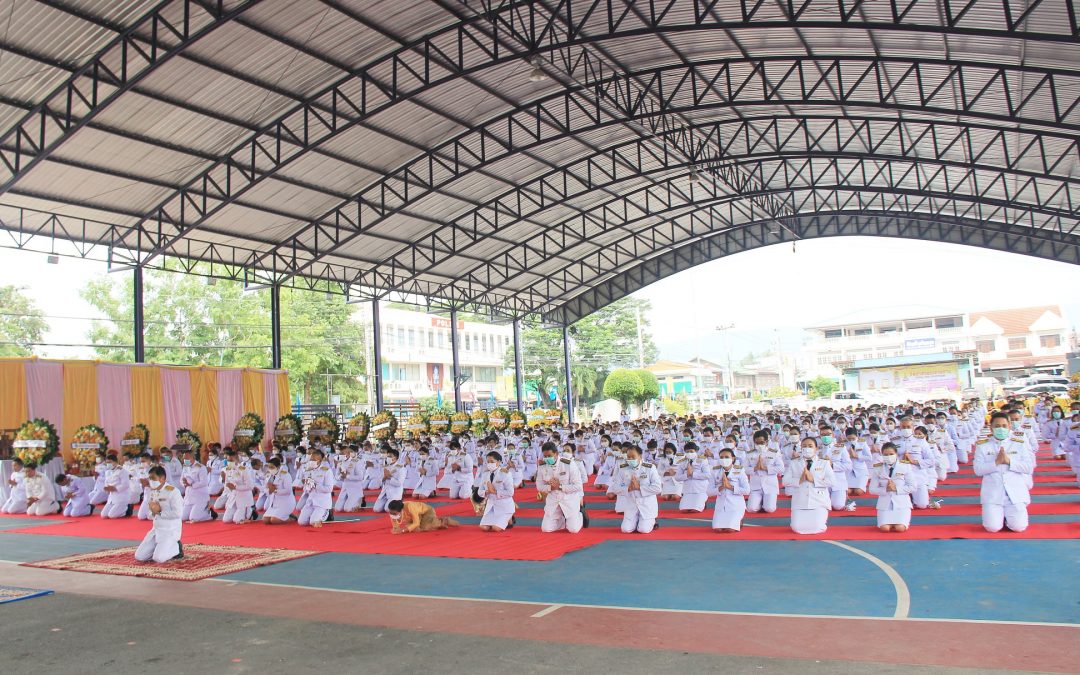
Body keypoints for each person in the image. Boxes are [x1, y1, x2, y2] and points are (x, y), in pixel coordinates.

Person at [974, 411, 1035, 533]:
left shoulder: (1019, 443)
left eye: (1004, 426)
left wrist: (1009, 461)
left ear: (1009, 427)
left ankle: (1007, 518)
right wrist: (996, 463)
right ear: (991, 428)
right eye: (997, 426)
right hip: (993, 494)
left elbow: (1028, 467)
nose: (1000, 429)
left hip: (1015, 493)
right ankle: (1000, 517)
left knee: (1019, 527)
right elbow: (978, 470)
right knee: (992, 528)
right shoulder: (983, 445)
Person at [782, 437, 834, 535]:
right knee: (796, 529)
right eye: (804, 446)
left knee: (818, 528)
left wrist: (813, 479)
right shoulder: (794, 462)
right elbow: (785, 481)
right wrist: (799, 480)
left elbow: (832, 481)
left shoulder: (824, 463)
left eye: (810, 446)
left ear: (816, 448)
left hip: (819, 500)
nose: (807, 448)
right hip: (800, 500)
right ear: (801, 448)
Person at [134, 466, 184, 563]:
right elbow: (149, 514)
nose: (151, 481)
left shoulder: (173, 491)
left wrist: (160, 512)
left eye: (153, 478)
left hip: (169, 530)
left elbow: (178, 513)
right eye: (150, 478)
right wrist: (153, 511)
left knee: (159, 558)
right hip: (156, 530)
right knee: (139, 556)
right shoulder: (152, 492)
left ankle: (177, 548)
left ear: (162, 478)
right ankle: (160, 548)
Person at [610, 445, 662, 533]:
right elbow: (615, 488)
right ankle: (637, 521)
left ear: (640, 456)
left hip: (646, 506)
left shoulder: (649, 468)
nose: (630, 459)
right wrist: (628, 488)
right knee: (625, 530)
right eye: (628, 457)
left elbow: (658, 488)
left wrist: (639, 487)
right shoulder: (623, 469)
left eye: (633, 457)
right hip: (631, 505)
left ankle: (652, 520)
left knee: (643, 530)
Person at [536, 441, 585, 533]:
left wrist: (560, 486)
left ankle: (579, 515)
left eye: (549, 456)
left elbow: (578, 486)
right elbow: (539, 486)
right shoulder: (542, 466)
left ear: (556, 453)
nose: (546, 458)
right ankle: (561, 520)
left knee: (573, 529)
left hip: (569, 498)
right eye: (545, 456)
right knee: (546, 529)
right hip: (553, 499)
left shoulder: (568, 464)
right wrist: (551, 488)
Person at [868, 442, 916, 532]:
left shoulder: (905, 466)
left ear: (896, 454)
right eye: (885, 454)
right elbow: (872, 490)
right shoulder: (878, 468)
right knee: (885, 528)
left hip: (902, 504)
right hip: (884, 503)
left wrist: (896, 489)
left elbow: (913, 487)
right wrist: (885, 489)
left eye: (891, 454)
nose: (888, 456)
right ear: (882, 455)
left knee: (900, 528)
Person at [710, 448, 749, 532]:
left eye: (727, 457)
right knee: (718, 530)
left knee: (730, 530)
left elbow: (747, 490)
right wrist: (722, 487)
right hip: (721, 505)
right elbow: (708, 492)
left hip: (736, 505)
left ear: (733, 458)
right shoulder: (715, 471)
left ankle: (740, 519)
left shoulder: (740, 470)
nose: (724, 459)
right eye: (721, 457)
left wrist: (730, 487)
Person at [744, 432, 783, 513]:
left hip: (770, 486)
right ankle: (760, 502)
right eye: (757, 443)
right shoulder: (749, 454)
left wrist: (765, 468)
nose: (759, 445)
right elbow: (744, 469)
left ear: (766, 442)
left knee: (770, 509)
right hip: (756, 486)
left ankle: (766, 502)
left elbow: (781, 468)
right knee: (751, 509)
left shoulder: (774, 453)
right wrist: (755, 468)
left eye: (762, 442)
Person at [477, 451, 516, 532]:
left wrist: (494, 491)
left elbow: (510, 492)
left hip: (504, 505)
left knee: (495, 528)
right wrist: (487, 492)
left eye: (492, 462)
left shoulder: (505, 474)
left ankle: (510, 518)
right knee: (483, 528)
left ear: (499, 462)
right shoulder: (485, 474)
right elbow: (480, 491)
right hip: (491, 506)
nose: (489, 464)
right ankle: (502, 520)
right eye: (488, 462)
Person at [298, 448, 335, 527]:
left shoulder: (327, 471)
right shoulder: (308, 470)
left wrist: (315, 485)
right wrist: (305, 485)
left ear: (319, 460)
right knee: (301, 522)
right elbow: (306, 489)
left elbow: (329, 489)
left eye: (313, 459)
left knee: (313, 522)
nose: (310, 461)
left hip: (322, 502)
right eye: (311, 459)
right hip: (311, 500)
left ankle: (327, 513)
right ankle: (315, 516)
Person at [387, 499, 460, 533]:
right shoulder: (394, 510)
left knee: (424, 527)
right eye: (391, 513)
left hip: (426, 512)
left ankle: (443, 521)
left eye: (394, 513)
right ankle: (435, 522)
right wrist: (395, 529)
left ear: (400, 510)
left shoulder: (410, 506)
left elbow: (416, 523)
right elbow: (395, 524)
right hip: (415, 516)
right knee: (417, 530)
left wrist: (402, 530)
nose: (392, 515)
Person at [180, 449, 213, 523]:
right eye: (184, 459)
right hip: (189, 496)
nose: (185, 460)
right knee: (183, 518)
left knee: (193, 518)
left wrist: (191, 484)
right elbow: (181, 479)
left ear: (193, 458)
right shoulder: (185, 467)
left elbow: (204, 482)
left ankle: (209, 513)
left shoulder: (201, 467)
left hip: (200, 496)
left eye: (187, 459)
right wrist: (184, 484)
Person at [261, 456, 296, 524]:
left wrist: (275, 491)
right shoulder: (268, 475)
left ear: (278, 467)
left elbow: (288, 491)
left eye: (272, 467)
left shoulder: (285, 475)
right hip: (274, 503)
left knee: (274, 520)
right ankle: (284, 516)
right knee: (265, 520)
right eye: (269, 467)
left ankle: (292, 518)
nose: (270, 469)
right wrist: (269, 490)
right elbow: (265, 488)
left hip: (285, 502)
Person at [373, 447, 405, 512]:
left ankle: (399, 501)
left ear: (396, 458)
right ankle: (387, 503)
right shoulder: (386, 466)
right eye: (388, 456)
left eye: (390, 456)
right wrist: (384, 478)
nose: (388, 458)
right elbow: (379, 480)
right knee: (376, 509)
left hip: (394, 492)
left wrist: (389, 477)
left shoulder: (401, 468)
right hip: (385, 492)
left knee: (387, 509)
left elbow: (399, 483)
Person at [100, 453, 131, 518]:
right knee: (103, 515)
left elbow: (126, 485)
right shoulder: (108, 472)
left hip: (121, 497)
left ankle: (127, 508)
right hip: (112, 498)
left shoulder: (122, 471)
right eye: (107, 462)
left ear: (115, 462)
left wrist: (115, 488)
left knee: (112, 515)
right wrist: (106, 488)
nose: (108, 464)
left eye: (110, 462)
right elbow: (106, 482)